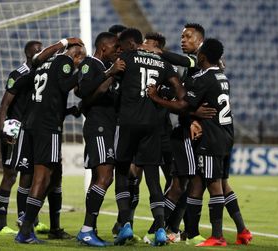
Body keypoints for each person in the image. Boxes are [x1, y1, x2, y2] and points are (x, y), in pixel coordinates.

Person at [147, 38, 235, 247]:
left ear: (202, 56)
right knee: (197, 182)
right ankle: (191, 231)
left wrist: (156, 97)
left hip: (211, 137)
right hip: (224, 135)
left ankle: (217, 236)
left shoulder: (203, 78)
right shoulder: (222, 76)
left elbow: (182, 105)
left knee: (213, 185)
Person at [113, 28, 185, 246]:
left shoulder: (127, 56)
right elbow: (181, 95)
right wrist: (163, 97)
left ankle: (125, 224)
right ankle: (161, 229)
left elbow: (112, 78)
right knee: (153, 178)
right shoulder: (165, 65)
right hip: (153, 126)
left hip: (127, 123)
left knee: (123, 172)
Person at [15, 41, 86, 244]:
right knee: (42, 178)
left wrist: (68, 111)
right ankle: (26, 230)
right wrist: (82, 71)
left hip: (31, 125)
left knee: (53, 176)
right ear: (76, 56)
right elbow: (64, 85)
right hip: (48, 128)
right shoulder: (64, 61)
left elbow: (48, 93)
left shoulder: (44, 62)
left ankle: (44, 227)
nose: (78, 63)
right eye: (80, 60)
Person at [75, 32, 125, 247]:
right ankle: (86, 230)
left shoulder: (105, 68)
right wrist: (109, 73)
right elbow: (83, 92)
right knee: (105, 177)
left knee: (100, 178)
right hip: (99, 127)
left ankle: (90, 228)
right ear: (104, 48)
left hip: (106, 127)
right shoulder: (90, 64)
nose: (118, 52)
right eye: (115, 48)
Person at [0, 40, 47, 235]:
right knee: (10, 175)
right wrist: (3, 131)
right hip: (14, 129)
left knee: (30, 175)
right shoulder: (19, 74)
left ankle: (24, 218)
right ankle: (1, 225)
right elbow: (4, 106)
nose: (43, 53)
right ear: (30, 55)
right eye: (39, 51)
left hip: (31, 130)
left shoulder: (41, 74)